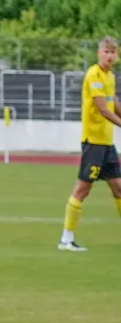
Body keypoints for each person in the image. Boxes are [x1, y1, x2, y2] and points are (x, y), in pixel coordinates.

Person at [58, 37, 121, 251]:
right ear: (98, 53)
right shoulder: (94, 75)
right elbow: (103, 109)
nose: (110, 55)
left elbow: (114, 104)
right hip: (93, 142)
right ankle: (66, 239)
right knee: (83, 189)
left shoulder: (110, 76)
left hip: (107, 143)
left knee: (119, 188)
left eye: (113, 52)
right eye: (106, 51)